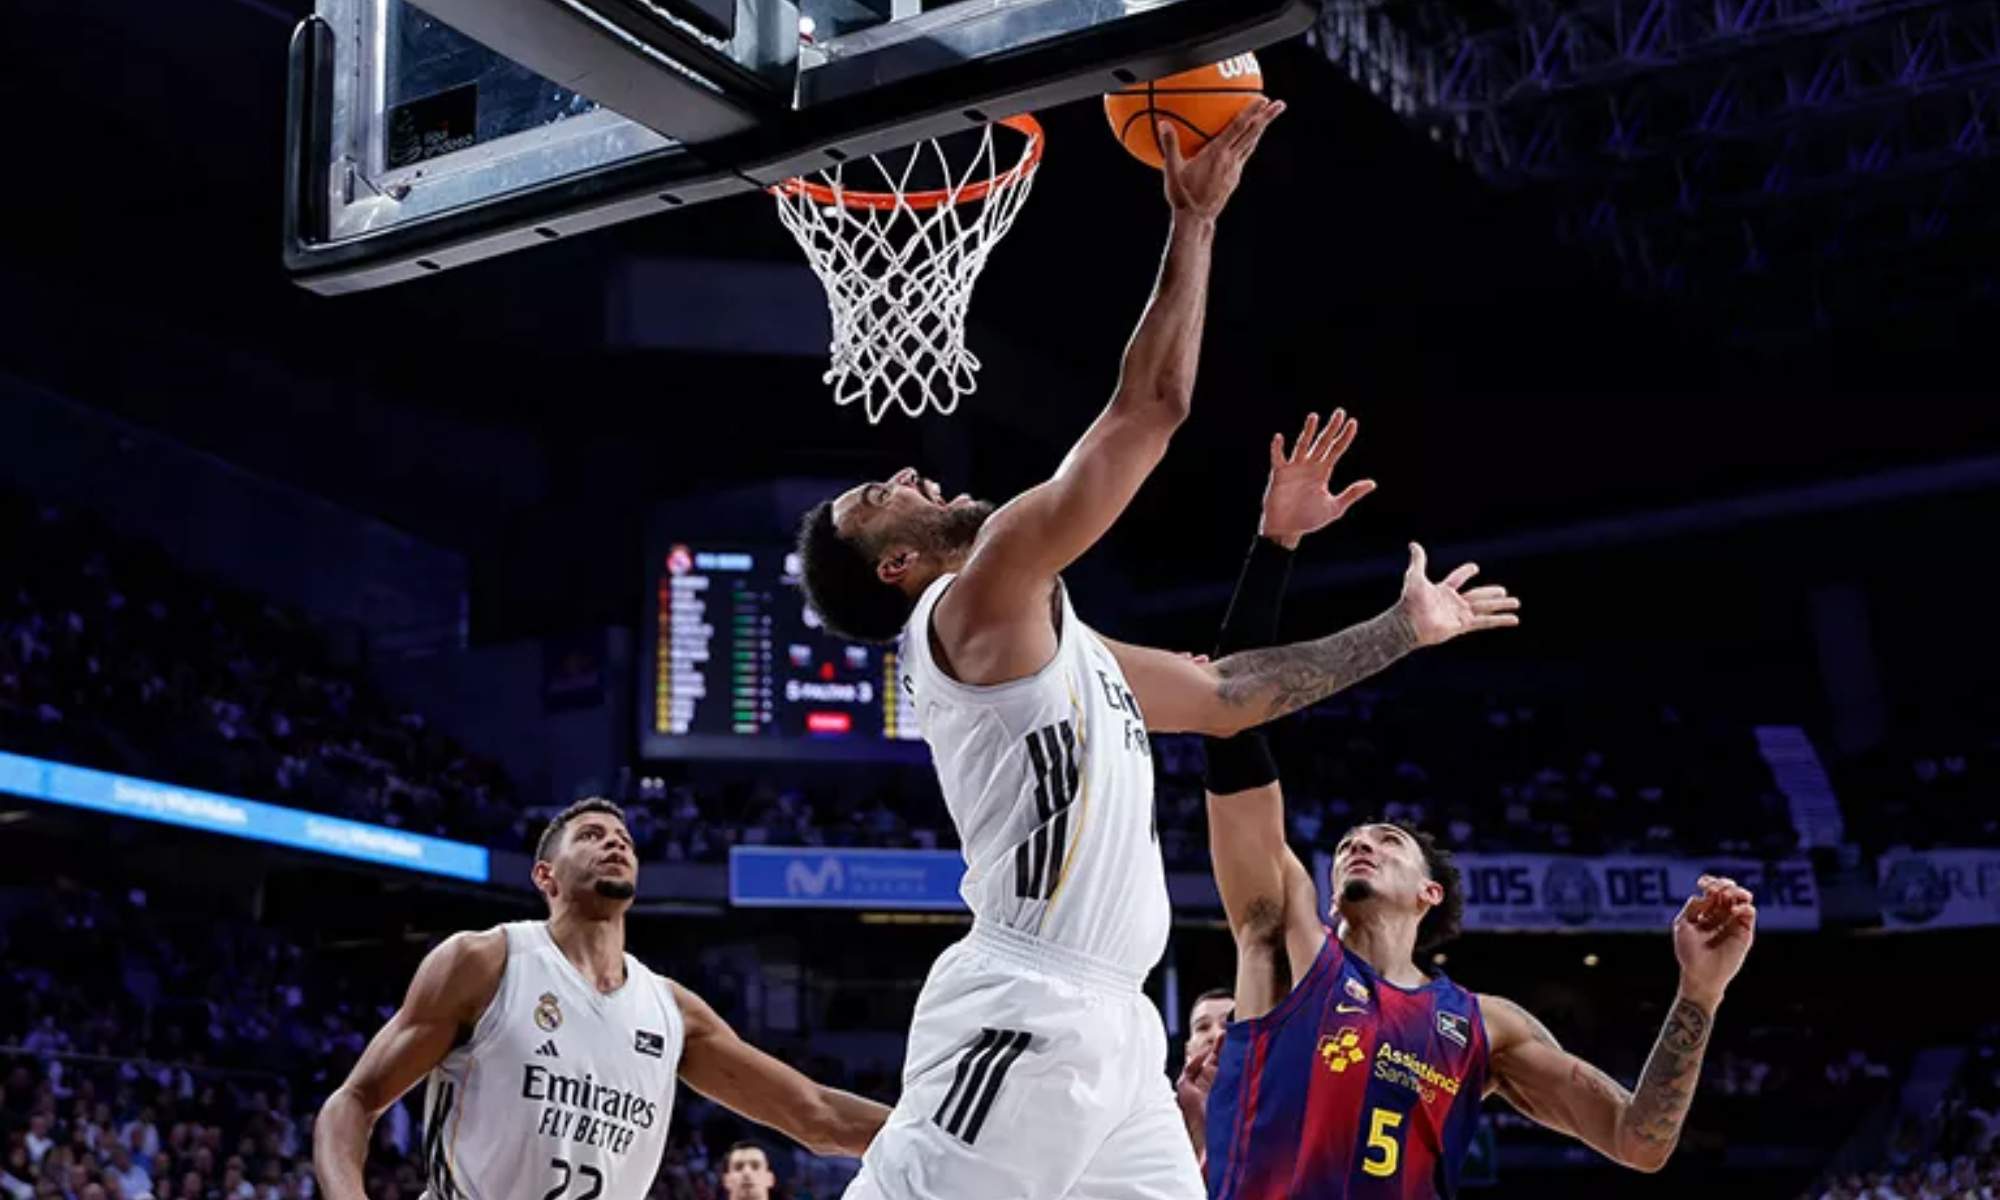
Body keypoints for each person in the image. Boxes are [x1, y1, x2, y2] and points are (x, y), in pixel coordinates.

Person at [797, 103, 1512, 1198]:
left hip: (1123, 1027)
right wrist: (1193, 221)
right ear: (892, 568)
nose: (904, 474)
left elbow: (1229, 695)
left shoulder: (1058, 646)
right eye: (873, 498)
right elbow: (1150, 408)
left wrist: (1402, 628)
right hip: (1022, 1006)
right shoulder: (977, 599)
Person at [1187, 416, 1758, 1197]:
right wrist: (1275, 547)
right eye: (1352, 840)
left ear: (1431, 892)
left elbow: (1638, 1140)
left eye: (1386, 839)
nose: (1361, 843)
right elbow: (1231, 724)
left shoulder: (1485, 1025)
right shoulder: (1286, 939)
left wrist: (1700, 993)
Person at [313, 799, 887, 1200]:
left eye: (624, 839)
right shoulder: (486, 962)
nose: (614, 841)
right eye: (590, 835)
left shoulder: (672, 1012)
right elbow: (354, 1101)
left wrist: (954, 1134)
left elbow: (817, 1116)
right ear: (546, 875)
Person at [1176, 989, 1234, 1173]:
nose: (1216, 1035)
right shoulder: (1161, 1116)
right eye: (1202, 1027)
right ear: (1187, 1051)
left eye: (1228, 1024)